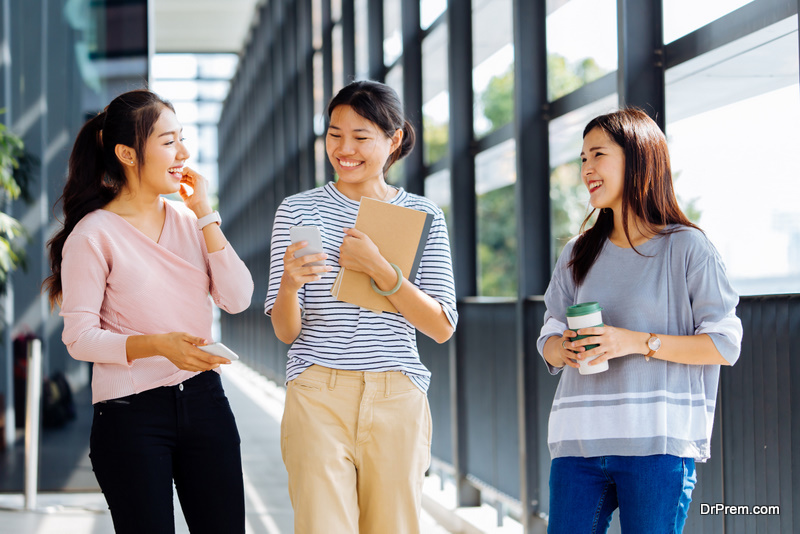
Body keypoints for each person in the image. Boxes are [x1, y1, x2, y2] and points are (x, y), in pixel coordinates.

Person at [43, 89, 253, 534]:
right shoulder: (92, 235)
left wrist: (204, 213)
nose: (184, 153)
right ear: (127, 154)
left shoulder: (191, 222)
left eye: (182, 139)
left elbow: (238, 298)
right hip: (129, 416)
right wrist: (159, 346)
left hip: (204, 401)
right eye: (168, 141)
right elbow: (79, 338)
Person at [265, 80, 458, 533]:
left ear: (393, 140)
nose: (344, 148)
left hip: (397, 392)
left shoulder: (423, 214)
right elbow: (285, 331)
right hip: (317, 392)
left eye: (360, 136)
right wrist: (290, 285)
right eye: (334, 134)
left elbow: (442, 325)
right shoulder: (297, 211)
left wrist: (382, 272)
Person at [537, 108, 742, 533]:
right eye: (582, 159)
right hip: (580, 442)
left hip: (657, 447)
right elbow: (550, 330)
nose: (586, 169)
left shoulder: (688, 248)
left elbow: (724, 344)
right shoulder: (576, 252)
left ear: (639, 158)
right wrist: (562, 348)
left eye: (597, 155)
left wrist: (635, 342)